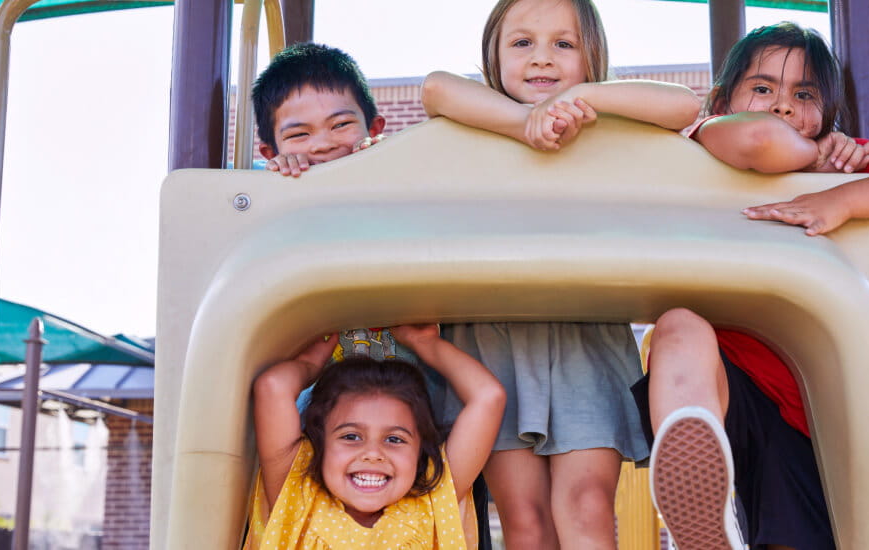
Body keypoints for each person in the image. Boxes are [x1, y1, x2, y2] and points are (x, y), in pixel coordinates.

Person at [641, 22, 869, 550]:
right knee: (677, 327)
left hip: (812, 409)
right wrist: (815, 157)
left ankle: (715, 531)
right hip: (722, 389)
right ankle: (697, 487)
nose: (781, 105)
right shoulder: (705, 140)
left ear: (827, 113)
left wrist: (842, 198)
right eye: (762, 87)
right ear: (721, 99)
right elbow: (756, 139)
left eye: (803, 94)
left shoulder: (843, 168)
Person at [417, 1, 700, 548]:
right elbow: (433, 87)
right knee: (523, 518)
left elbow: (683, 105)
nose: (542, 58)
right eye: (522, 43)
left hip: (583, 333)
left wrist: (578, 97)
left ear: (592, 55)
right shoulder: (481, 114)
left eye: (563, 45)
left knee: (587, 504)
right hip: (492, 340)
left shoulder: (605, 119)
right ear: (493, 57)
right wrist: (525, 124)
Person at [250, 325, 506, 549]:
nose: (373, 454)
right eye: (351, 436)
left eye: (394, 439)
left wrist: (425, 343)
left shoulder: (434, 498)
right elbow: (272, 387)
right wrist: (310, 363)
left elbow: (488, 396)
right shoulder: (297, 491)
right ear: (320, 443)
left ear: (420, 452)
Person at [253, 42, 387, 178]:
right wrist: (275, 179)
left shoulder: (394, 177)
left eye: (341, 124)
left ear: (373, 129)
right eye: (298, 134)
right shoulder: (264, 193)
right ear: (272, 153)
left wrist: (390, 158)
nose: (323, 145)